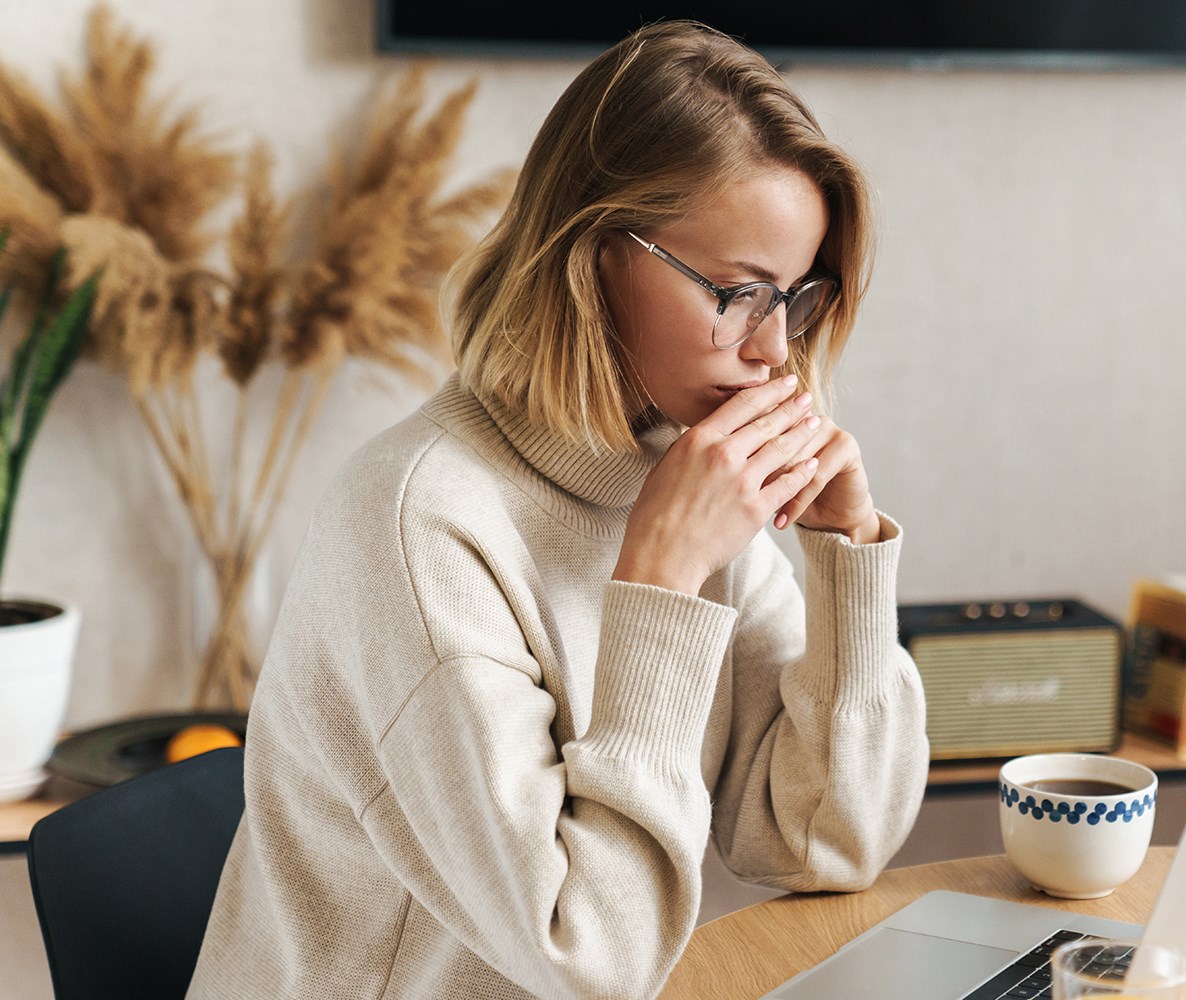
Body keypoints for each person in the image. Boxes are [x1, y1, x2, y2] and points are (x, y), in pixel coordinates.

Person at [187, 20, 929, 1000]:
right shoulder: (419, 524)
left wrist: (843, 560)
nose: (775, 354)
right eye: (740, 294)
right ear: (594, 255)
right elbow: (586, 959)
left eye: (795, 299)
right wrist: (657, 586)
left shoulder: (675, 474)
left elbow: (823, 840)